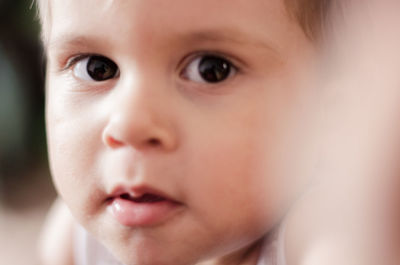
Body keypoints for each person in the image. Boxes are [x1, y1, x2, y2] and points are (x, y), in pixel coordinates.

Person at [36, 0, 329, 264]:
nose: (131, 125)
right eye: (97, 68)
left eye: (211, 69)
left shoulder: (317, 238)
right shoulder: (73, 243)